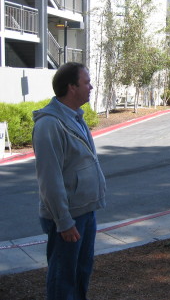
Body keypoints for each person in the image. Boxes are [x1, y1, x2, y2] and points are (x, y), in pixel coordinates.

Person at [32, 62, 106, 300]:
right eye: (86, 82)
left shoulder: (76, 117)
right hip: (66, 218)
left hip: (85, 212)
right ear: (72, 87)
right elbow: (49, 179)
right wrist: (63, 221)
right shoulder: (49, 124)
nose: (91, 86)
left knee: (81, 273)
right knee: (62, 279)